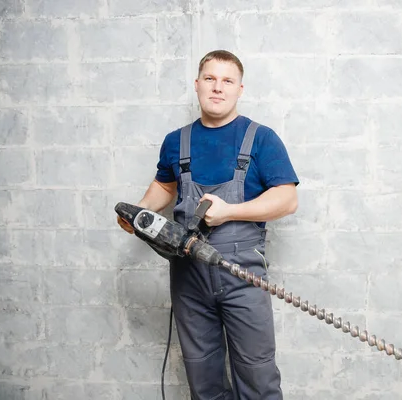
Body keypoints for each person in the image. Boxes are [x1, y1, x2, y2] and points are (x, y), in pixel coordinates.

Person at [117, 49, 299, 399]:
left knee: (258, 378)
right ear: (198, 85)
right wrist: (139, 211)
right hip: (188, 276)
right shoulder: (177, 141)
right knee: (203, 380)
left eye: (227, 80)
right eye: (210, 79)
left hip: (241, 272)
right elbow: (164, 185)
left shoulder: (261, 138)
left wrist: (229, 211)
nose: (218, 87)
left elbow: (287, 200)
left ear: (239, 89)